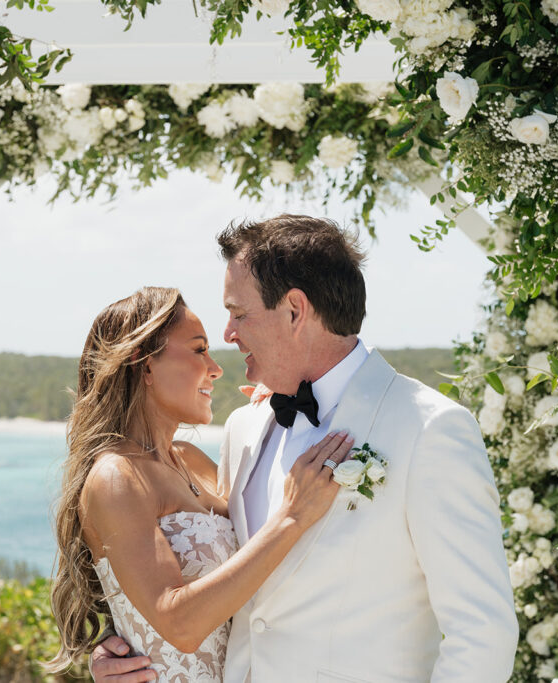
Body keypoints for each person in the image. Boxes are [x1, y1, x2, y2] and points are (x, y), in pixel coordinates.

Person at [91, 216, 519, 682]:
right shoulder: (245, 428)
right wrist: (129, 650)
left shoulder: (429, 429)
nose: (229, 334)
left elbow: (481, 632)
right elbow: (218, 588)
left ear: (294, 310)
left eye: (239, 313)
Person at [45, 286, 355, 682]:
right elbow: (179, 624)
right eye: (198, 350)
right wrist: (293, 516)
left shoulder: (189, 461)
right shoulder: (116, 476)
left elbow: (249, 534)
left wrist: (272, 407)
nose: (215, 367)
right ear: (144, 364)